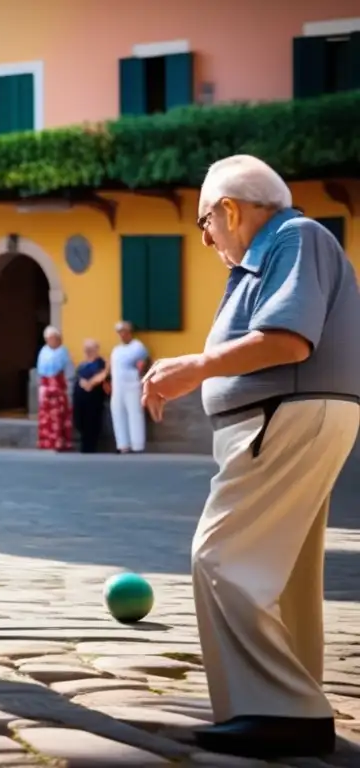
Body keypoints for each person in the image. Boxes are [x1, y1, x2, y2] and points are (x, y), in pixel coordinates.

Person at [141, 155, 360, 759]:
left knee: (220, 557)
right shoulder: (274, 252)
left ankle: (281, 709)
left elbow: (288, 339)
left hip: (284, 416)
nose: (206, 237)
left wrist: (196, 368)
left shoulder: (293, 236)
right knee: (286, 575)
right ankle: (295, 701)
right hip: (291, 415)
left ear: (230, 210)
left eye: (205, 223)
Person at [109, 320, 149, 453]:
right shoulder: (116, 350)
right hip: (117, 385)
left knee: (134, 413)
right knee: (118, 413)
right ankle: (123, 444)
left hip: (131, 384)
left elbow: (144, 362)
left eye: (124, 332)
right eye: (120, 332)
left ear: (129, 332)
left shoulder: (138, 346)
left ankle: (137, 445)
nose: (122, 335)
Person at [35, 326, 72, 451]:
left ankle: (60, 442)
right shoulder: (44, 351)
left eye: (54, 338)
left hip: (59, 387)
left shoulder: (63, 351)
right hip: (45, 387)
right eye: (49, 339)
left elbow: (68, 371)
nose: (51, 341)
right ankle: (46, 442)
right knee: (46, 417)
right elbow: (40, 371)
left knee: (59, 416)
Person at [72, 339, 109, 454]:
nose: (88, 351)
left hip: (93, 399)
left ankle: (89, 448)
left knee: (91, 423)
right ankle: (85, 445)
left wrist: (90, 383)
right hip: (80, 399)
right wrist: (81, 381)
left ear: (96, 349)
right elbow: (77, 376)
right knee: (80, 421)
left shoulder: (101, 362)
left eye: (90, 348)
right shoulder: (82, 364)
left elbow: (103, 375)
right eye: (86, 348)